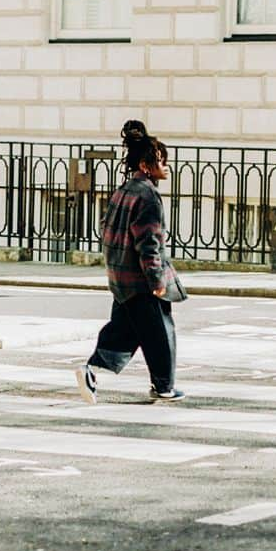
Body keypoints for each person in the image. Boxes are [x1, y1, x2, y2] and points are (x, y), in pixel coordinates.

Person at [75, 119, 187, 404]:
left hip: (121, 278)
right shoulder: (149, 197)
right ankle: (163, 387)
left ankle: (90, 370)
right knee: (160, 334)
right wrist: (157, 281)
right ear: (146, 166)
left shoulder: (124, 190)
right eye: (161, 161)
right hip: (141, 281)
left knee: (123, 333)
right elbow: (148, 244)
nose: (167, 166)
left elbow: (107, 228)